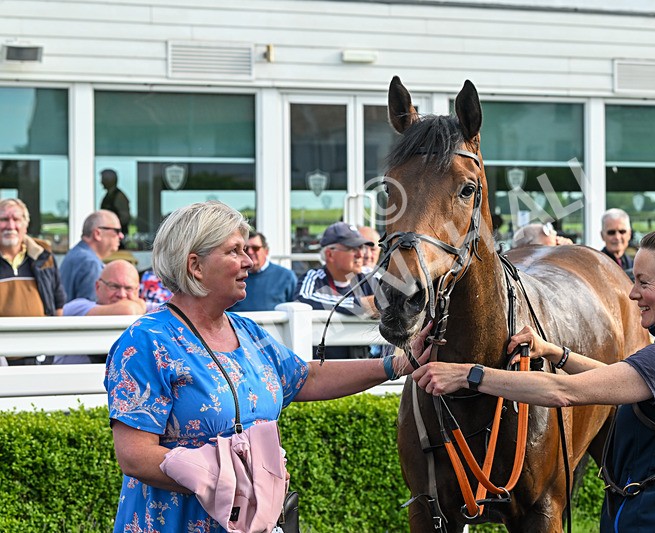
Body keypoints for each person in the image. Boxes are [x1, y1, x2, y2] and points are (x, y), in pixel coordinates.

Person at [411, 226, 655, 532]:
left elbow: (563, 392)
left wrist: (470, 375)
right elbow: (613, 379)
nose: (633, 294)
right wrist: (554, 353)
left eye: (643, 282)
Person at [104, 201, 422, 532]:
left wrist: (399, 364)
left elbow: (306, 378)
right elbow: (135, 456)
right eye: (234, 251)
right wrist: (229, 478)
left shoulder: (247, 331)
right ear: (195, 265)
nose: (249, 262)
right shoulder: (147, 342)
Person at [295, 221, 380, 359]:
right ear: (330, 255)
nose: (361, 254)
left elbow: (393, 301)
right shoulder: (314, 278)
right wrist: (359, 305)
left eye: (361, 247)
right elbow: (303, 299)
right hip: (325, 368)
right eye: (352, 248)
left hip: (365, 367)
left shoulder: (370, 276)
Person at [0, 198, 66, 365]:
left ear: (25, 224)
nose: (10, 225)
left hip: (39, 354)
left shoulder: (43, 258)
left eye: (16, 219)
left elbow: (58, 306)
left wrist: (52, 346)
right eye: (4, 219)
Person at [53, 260, 146, 365]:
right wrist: (141, 304)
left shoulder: (144, 308)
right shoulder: (78, 307)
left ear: (137, 290)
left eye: (128, 288)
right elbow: (128, 310)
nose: (122, 294)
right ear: (98, 287)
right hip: (70, 379)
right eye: (114, 286)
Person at [60, 209, 122, 301]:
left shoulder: (76, 254)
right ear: (97, 234)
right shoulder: (90, 263)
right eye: (116, 231)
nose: (121, 236)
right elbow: (90, 309)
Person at [229, 230, 297, 312]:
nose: (250, 252)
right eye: (245, 249)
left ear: (266, 251)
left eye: (255, 248)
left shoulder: (286, 277)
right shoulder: (233, 276)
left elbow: (295, 310)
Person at [599, 208, 633, 279]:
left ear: (629, 234)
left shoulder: (636, 266)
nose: (617, 237)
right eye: (611, 232)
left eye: (622, 231)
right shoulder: (596, 266)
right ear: (602, 235)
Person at [100, 169, 131, 239]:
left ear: (109, 180)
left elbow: (125, 218)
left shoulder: (119, 197)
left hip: (117, 238)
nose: (101, 182)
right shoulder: (110, 195)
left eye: (103, 179)